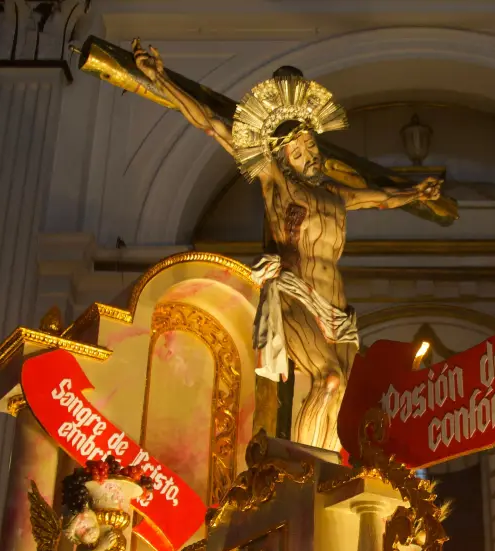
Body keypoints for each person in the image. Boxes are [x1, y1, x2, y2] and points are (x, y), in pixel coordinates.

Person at [133, 40, 443, 452]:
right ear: (283, 159)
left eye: (311, 146)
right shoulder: (277, 185)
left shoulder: (336, 193)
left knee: (349, 396)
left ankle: (333, 473)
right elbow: (212, 124)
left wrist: (415, 194)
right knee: (328, 380)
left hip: (339, 310)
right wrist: (161, 79)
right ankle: (307, 474)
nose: (309, 155)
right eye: (297, 152)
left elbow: (381, 197)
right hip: (297, 296)